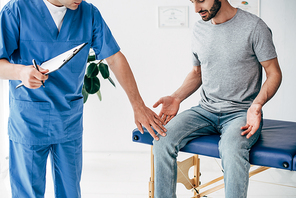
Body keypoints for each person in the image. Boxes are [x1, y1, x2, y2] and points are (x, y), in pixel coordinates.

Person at [0, 0, 166, 197]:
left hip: (68, 118)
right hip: (29, 120)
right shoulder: (17, 10)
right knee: (27, 192)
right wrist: (20, 72)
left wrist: (138, 105)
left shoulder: (88, 13)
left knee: (70, 191)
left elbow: (114, 58)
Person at [152, 0, 282, 197]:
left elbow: (274, 73)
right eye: (192, 1)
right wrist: (176, 97)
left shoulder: (254, 27)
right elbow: (197, 73)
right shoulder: (199, 29)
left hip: (241, 113)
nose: (196, 9)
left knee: (231, 149)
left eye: (201, 0)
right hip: (204, 111)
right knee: (162, 139)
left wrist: (256, 105)